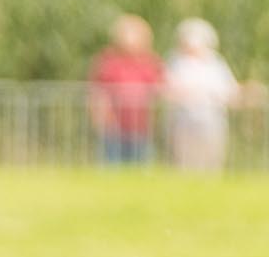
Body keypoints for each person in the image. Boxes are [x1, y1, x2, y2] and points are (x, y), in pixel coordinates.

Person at [164, 18, 240, 172]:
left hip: (212, 117)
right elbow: (169, 87)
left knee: (211, 157)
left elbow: (229, 89)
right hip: (183, 118)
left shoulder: (216, 63)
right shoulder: (176, 61)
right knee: (183, 158)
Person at [88, 14, 165, 165]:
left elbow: (160, 89)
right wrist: (98, 116)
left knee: (141, 168)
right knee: (112, 167)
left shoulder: (150, 61)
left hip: (142, 127)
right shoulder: (107, 60)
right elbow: (96, 91)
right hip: (112, 126)